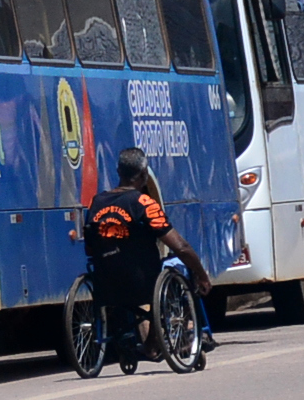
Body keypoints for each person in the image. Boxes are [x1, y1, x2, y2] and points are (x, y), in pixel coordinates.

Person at [83, 148, 212, 355]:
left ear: (118, 172)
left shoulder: (96, 203)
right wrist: (202, 275)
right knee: (180, 265)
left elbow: (90, 248)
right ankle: (171, 337)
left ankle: (146, 341)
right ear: (144, 175)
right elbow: (181, 247)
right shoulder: (144, 203)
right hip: (142, 282)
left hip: (105, 283)